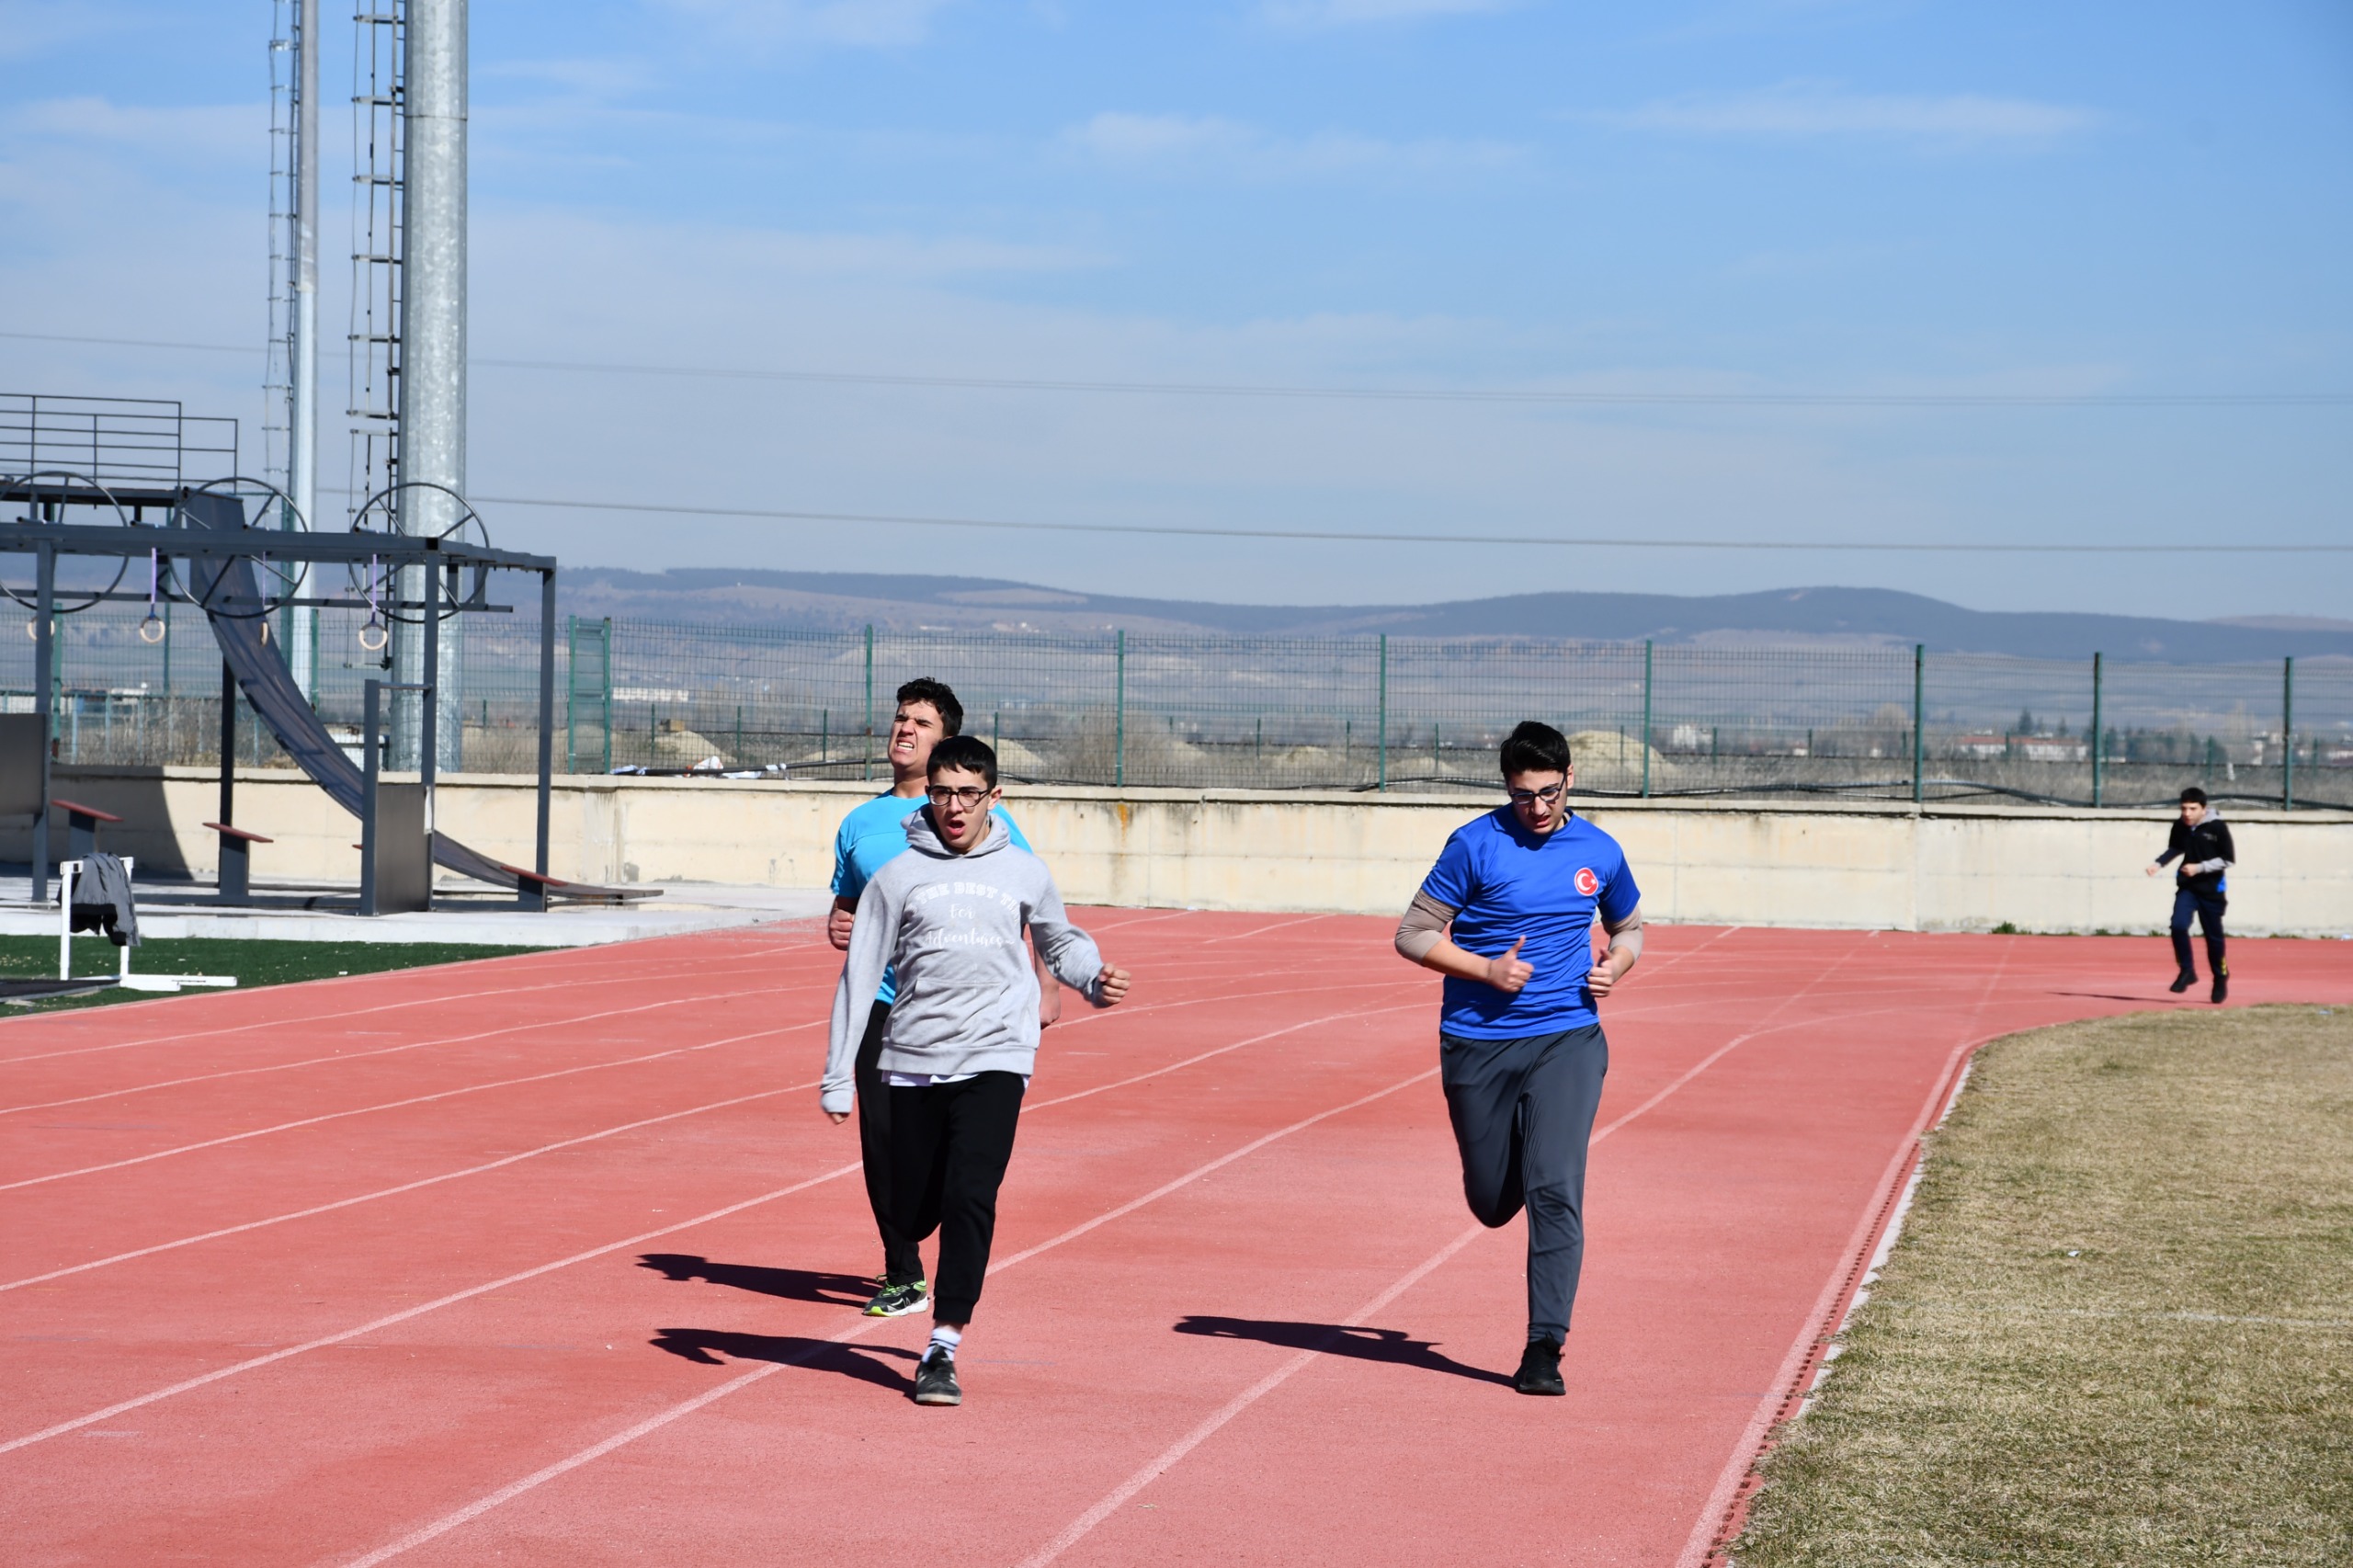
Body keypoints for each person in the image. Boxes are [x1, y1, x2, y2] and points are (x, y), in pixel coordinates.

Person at [823, 734, 1131, 1406]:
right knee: (909, 1207)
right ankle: (916, 1220)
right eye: (942, 793)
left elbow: (1060, 940)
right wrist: (837, 1072)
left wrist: (1091, 981)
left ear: (996, 797)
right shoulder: (897, 876)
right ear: (928, 796)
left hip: (997, 1055)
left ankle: (942, 1346)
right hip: (912, 1060)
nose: (954, 807)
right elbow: (860, 973)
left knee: (972, 1196)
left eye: (968, 793)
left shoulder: (1022, 869)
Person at [1392, 721, 1643, 1397]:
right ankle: (1500, 1182)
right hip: (1477, 1044)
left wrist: (1614, 966)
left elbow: (1630, 927)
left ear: (1570, 781)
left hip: (1569, 1038)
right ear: (1507, 788)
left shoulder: (1601, 849)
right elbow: (1412, 934)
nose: (1538, 808)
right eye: (1524, 794)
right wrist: (1483, 969)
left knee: (1556, 1188)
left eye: (1550, 793)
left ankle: (1544, 1347)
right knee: (1492, 1201)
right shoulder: (1475, 845)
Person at [827, 678, 1060, 1319]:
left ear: (945, 740)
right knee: (883, 1137)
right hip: (884, 1002)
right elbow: (846, 905)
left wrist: (1046, 983)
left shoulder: (990, 816)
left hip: (967, 1008)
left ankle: (947, 1236)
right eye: (900, 718)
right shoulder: (860, 823)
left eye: (920, 723)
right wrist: (838, 922)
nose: (904, 730)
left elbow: (1029, 901)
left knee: (947, 1145)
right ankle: (902, 1271)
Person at [2145, 784, 2234, 1004]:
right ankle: (2187, 971)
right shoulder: (2180, 826)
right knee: (2177, 925)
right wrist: (2158, 864)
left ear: (2203, 809)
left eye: (2192, 809)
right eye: (2183, 808)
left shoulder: (2217, 828)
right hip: (2188, 888)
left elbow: (2228, 859)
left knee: (2213, 939)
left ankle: (2220, 977)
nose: (2186, 813)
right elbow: (2176, 848)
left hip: (2211, 890)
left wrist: (2199, 867)